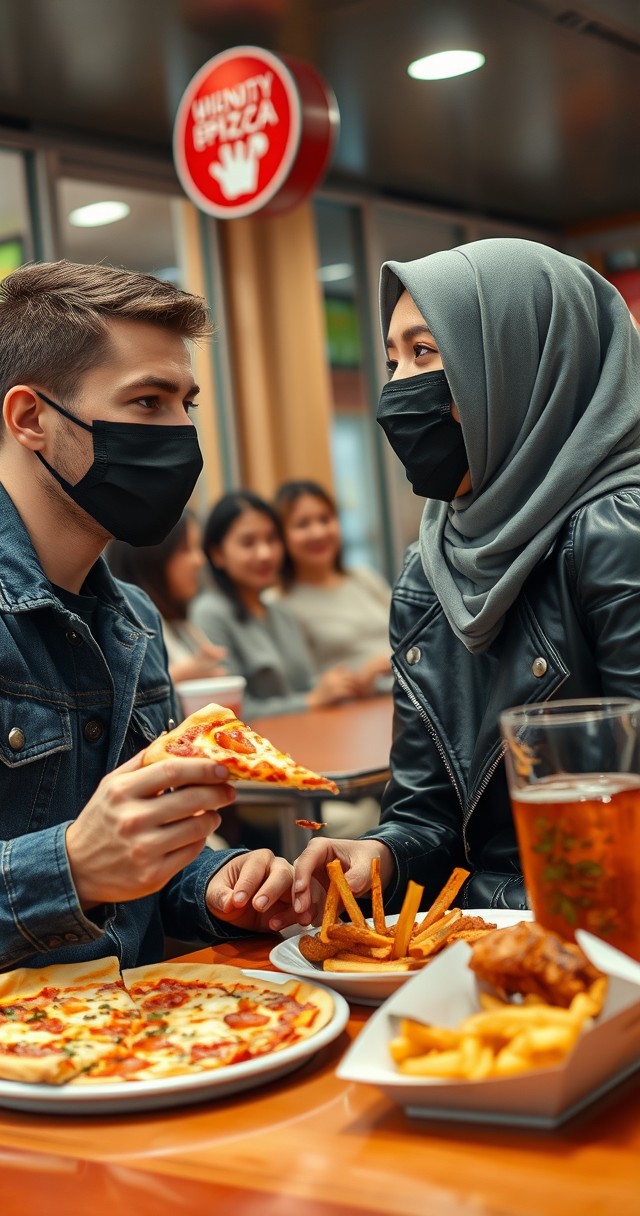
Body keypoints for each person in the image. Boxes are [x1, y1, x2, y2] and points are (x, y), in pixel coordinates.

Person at [0, 261, 308, 1060]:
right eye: (146, 401)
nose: (180, 434)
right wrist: (66, 870)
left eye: (186, 405)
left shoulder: (134, 620)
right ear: (30, 417)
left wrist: (218, 885)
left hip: (125, 1048)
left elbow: (134, 870)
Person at [293, 237, 640, 920]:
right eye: (392, 360)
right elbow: (428, 813)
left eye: (425, 353)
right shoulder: (433, 561)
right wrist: (382, 855)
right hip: (485, 934)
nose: (397, 391)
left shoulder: (618, 528)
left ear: (522, 365)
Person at [189, 490, 361, 720]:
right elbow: (230, 710)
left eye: (271, 540)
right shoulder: (210, 613)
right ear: (217, 554)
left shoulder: (282, 612)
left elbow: (308, 684)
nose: (265, 554)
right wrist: (311, 701)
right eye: (248, 543)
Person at [273, 479, 392, 695]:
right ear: (281, 537)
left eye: (325, 519)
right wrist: (360, 681)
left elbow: (409, 631)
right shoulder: (279, 602)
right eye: (302, 524)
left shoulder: (363, 577)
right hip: (350, 711)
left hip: (409, 691)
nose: (318, 532)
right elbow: (304, 686)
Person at [105, 509, 228, 684]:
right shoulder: (124, 630)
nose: (200, 560)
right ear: (150, 556)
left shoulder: (181, 622)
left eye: (197, 548)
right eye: (186, 550)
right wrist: (182, 675)